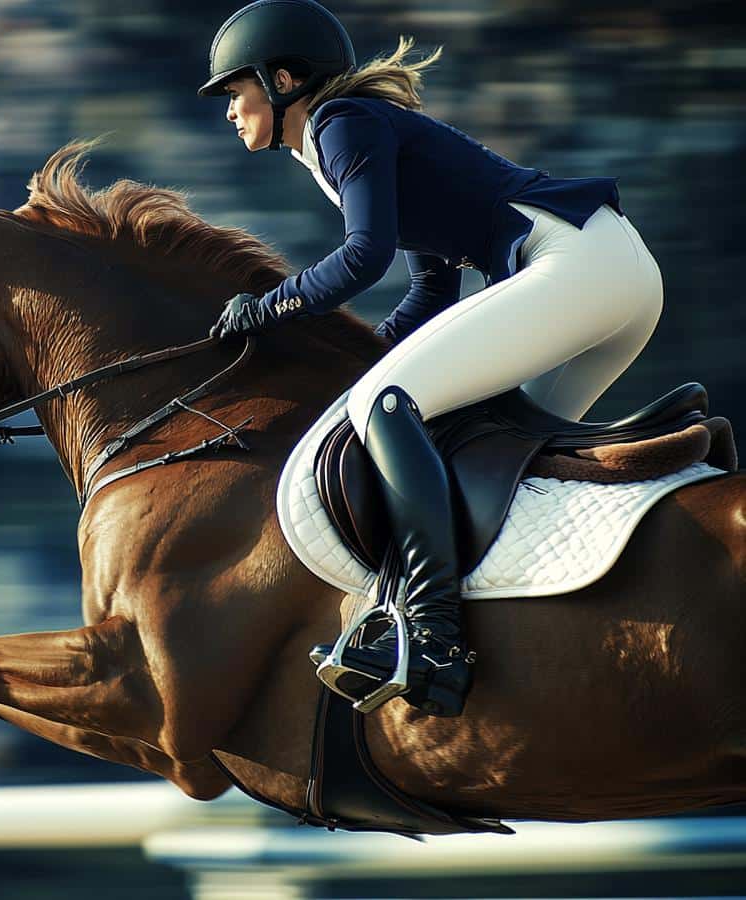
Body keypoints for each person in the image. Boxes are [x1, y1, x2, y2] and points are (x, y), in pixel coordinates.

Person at [199, 0, 663, 717]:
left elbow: (363, 258)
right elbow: (430, 286)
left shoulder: (339, 125)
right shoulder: (354, 133)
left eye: (236, 91)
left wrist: (268, 308)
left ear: (282, 78)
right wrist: (361, 358)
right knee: (491, 451)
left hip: (574, 264)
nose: (230, 112)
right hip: (616, 274)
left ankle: (430, 635)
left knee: (386, 405)